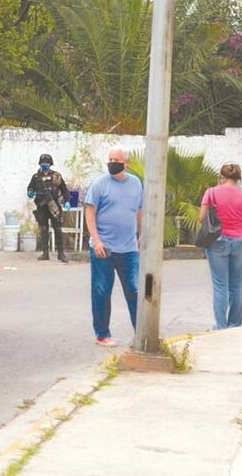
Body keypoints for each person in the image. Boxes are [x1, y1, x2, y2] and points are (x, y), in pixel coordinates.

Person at [83, 147, 143, 346]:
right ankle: (102, 334)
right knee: (101, 290)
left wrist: (141, 234)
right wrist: (96, 240)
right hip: (104, 247)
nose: (112, 163)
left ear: (126, 163)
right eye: (109, 159)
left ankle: (141, 334)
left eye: (116, 160)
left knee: (135, 290)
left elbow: (138, 210)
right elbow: (90, 212)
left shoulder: (136, 184)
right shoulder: (99, 183)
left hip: (129, 248)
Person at [199, 164, 242, 330]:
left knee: (220, 285)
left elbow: (201, 218)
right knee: (236, 286)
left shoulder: (211, 193)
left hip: (217, 241)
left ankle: (221, 325)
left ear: (221, 177)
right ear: (238, 179)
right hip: (241, 241)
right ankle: (235, 324)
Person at [26, 153, 70, 263]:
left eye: (47, 163)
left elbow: (64, 190)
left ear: (50, 164)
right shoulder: (36, 177)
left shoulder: (56, 176)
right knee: (43, 229)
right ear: (40, 164)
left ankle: (61, 254)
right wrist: (30, 192)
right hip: (41, 206)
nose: (45, 164)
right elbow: (30, 188)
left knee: (58, 229)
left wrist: (67, 201)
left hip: (54, 206)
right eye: (43, 163)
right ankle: (45, 253)